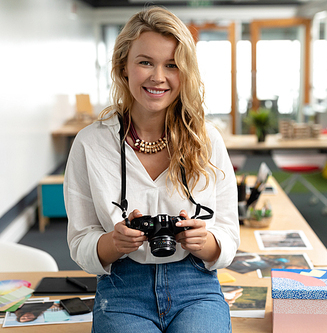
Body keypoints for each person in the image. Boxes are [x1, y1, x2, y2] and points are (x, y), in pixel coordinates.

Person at [64, 6, 239, 333]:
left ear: (184, 72)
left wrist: (206, 243)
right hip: (122, 286)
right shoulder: (91, 144)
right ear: (124, 67)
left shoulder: (207, 140)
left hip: (195, 283)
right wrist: (114, 243)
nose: (158, 77)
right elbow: (81, 242)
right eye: (145, 62)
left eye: (172, 65)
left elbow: (228, 235)